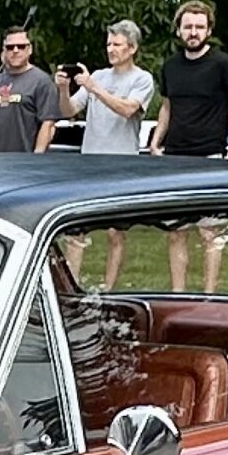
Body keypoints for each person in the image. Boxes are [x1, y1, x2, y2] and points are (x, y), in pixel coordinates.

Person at [151, 0, 228, 293]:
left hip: (210, 158)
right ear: (179, 31)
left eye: (199, 26)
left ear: (209, 29)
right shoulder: (170, 66)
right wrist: (156, 142)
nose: (193, 32)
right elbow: (167, 108)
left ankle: (209, 295)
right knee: (176, 233)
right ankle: (178, 294)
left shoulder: (222, 64)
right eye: (188, 27)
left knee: (210, 233)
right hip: (173, 159)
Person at [60, 22, 155, 290]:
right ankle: (72, 288)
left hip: (121, 165)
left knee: (116, 232)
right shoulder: (99, 76)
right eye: (108, 44)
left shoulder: (142, 79)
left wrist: (94, 88)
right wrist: (63, 89)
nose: (110, 49)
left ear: (132, 48)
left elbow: (127, 110)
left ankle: (109, 289)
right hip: (89, 162)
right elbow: (69, 111)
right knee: (75, 229)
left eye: (116, 44)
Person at [0, 29, 66, 155]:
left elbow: (48, 124)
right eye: (10, 47)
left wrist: (36, 158)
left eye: (21, 46)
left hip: (26, 163)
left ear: (30, 49)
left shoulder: (42, 81)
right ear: (4, 51)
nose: (15, 50)